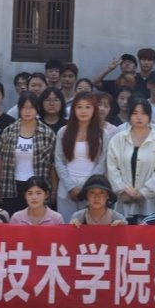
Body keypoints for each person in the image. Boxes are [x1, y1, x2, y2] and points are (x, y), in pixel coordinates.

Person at [107, 98, 155, 221]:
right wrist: (121, 191)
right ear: (129, 116)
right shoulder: (118, 139)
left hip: (149, 202)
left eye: (143, 113)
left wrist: (144, 193)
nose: (139, 117)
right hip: (124, 200)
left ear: (149, 116)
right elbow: (112, 167)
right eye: (135, 113)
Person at [0, 93, 57, 216]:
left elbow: (52, 165)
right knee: (14, 221)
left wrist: (54, 190)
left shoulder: (47, 133)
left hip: (38, 185)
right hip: (12, 185)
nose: (27, 111)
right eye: (24, 107)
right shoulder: (9, 131)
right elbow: (1, 161)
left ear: (37, 109)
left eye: (31, 107)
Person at [54, 92, 109, 220]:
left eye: (87, 107)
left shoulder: (102, 134)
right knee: (67, 226)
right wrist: (71, 187)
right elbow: (59, 161)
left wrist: (87, 187)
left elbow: (102, 163)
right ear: (73, 109)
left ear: (94, 109)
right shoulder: (63, 132)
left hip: (92, 188)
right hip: (67, 187)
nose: (83, 111)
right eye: (79, 107)